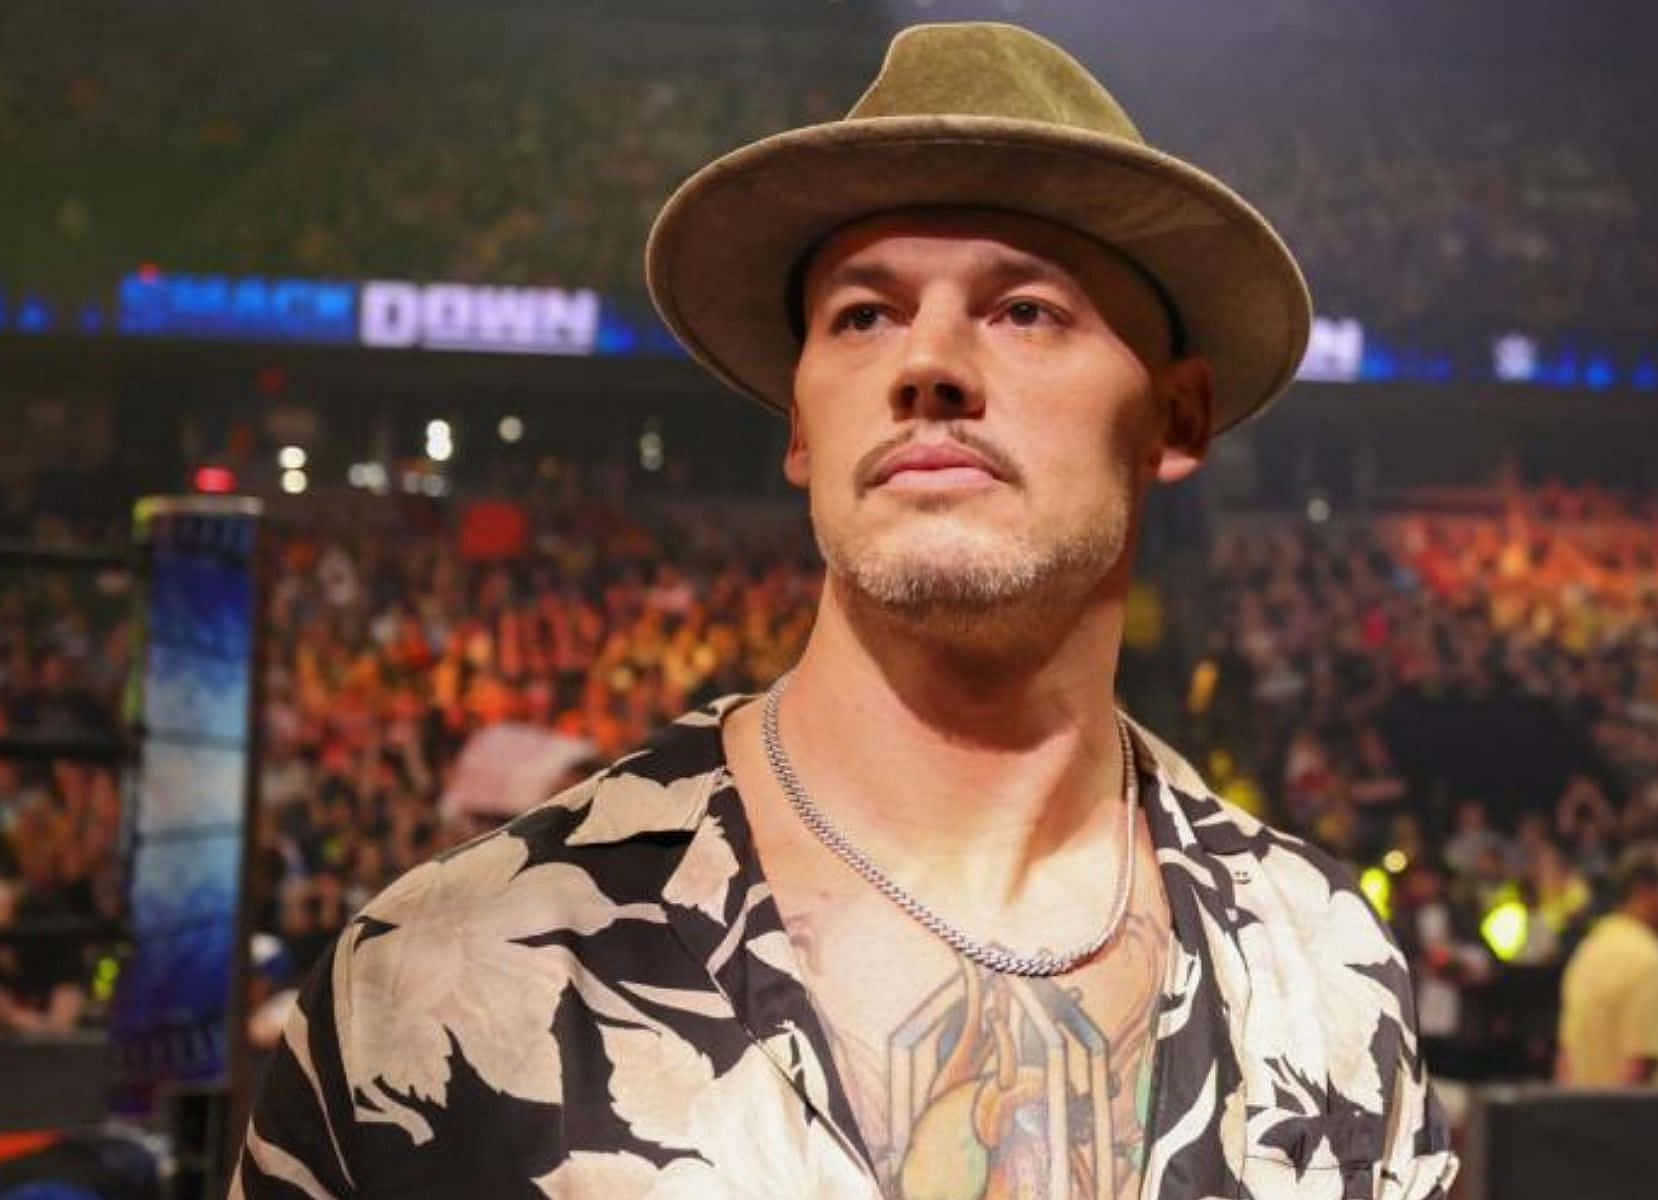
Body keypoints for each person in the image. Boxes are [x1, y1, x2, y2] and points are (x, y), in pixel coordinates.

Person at [234, 22, 1457, 1199]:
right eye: (863, 315)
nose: (926, 364)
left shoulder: (1322, 970)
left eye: (1025, 309)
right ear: (801, 428)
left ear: (1175, 417)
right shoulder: (444, 980)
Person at [1556, 841, 1658, 1086]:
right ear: (1644, 891)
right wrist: (1615, 1112)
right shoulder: (1648, 958)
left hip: (1588, 1104)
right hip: (1649, 1110)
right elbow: (1640, 1063)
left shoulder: (1589, 950)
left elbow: (1566, 1060)